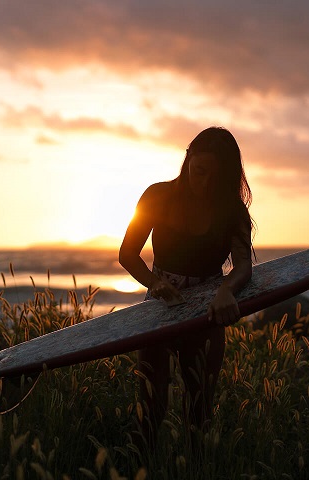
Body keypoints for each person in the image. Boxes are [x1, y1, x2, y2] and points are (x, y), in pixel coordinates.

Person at [119, 126, 254, 449]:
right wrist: (156, 284)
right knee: (151, 409)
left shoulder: (233, 212)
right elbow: (127, 254)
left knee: (200, 411)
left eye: (215, 178)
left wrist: (226, 290)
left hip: (207, 312)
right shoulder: (157, 196)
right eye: (199, 172)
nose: (204, 184)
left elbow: (244, 266)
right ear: (187, 160)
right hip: (158, 309)